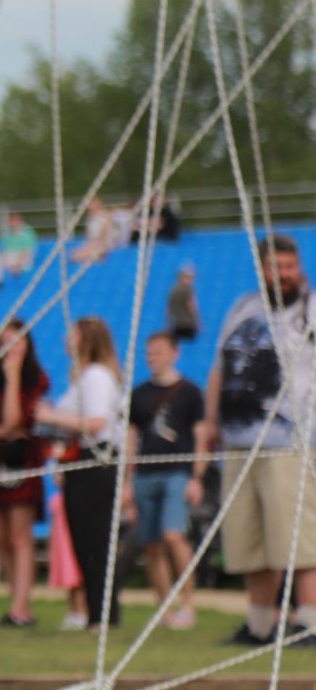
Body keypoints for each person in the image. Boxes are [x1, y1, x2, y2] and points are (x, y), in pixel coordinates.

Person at [202, 234, 316, 647]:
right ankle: (260, 624)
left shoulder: (309, 308)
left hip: (291, 439)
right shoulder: (242, 307)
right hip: (238, 439)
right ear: (262, 269)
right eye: (275, 267)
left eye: (289, 267)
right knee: (247, 534)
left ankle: (309, 620)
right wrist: (210, 420)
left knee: (297, 530)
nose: (283, 275)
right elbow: (218, 366)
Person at [34, 317, 125, 631]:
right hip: (81, 461)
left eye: (72, 333)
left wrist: (50, 416)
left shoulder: (96, 376)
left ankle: (103, 615)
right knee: (84, 541)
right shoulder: (83, 376)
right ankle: (95, 613)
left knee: (94, 540)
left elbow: (97, 422)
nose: (65, 339)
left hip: (95, 461)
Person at [126, 331, 207, 629]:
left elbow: (200, 437)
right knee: (150, 544)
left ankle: (187, 603)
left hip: (177, 472)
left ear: (174, 354)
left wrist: (197, 476)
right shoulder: (139, 393)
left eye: (158, 352)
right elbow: (131, 436)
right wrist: (127, 480)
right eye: (149, 353)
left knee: (173, 535)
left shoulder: (190, 392)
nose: (153, 359)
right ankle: (163, 608)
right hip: (145, 474)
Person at [0, 319, 50, 627]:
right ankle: (13, 600)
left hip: (24, 464)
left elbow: (16, 419)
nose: (12, 347)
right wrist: (4, 431)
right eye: (6, 341)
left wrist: (14, 376)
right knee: (4, 538)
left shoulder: (35, 379)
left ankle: (22, 606)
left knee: (21, 537)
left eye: (17, 340)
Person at [167, 265, 201, 343]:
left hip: (176, 324)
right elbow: (191, 306)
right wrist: (197, 322)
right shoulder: (187, 290)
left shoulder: (173, 290)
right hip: (187, 324)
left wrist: (168, 322)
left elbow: (168, 308)